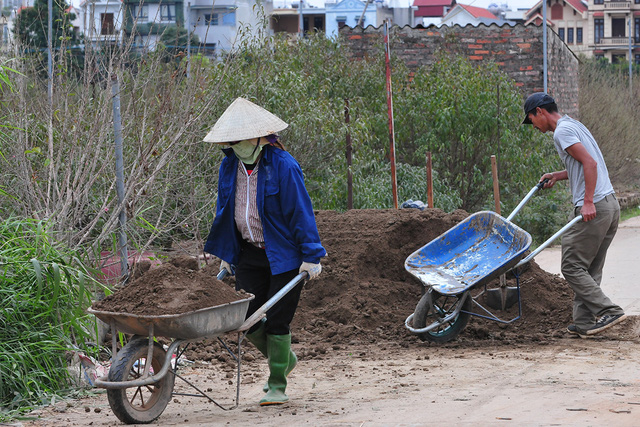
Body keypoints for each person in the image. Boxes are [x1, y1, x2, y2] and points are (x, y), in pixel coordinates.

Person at [203, 97, 326, 405]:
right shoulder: (229, 165)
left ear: (260, 138)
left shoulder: (283, 166)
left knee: (278, 320)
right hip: (248, 252)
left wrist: (311, 255)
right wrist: (227, 252)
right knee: (245, 315)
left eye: (239, 140)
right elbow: (224, 209)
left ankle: (277, 383)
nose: (235, 146)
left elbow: (301, 212)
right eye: (231, 142)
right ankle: (282, 359)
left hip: (284, 255)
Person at [522, 92, 627, 339]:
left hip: (595, 206)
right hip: (610, 205)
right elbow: (582, 164)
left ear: (540, 111)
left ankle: (609, 310)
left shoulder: (562, 132)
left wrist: (588, 201)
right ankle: (584, 321)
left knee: (571, 265)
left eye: (531, 120)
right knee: (590, 267)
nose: (533, 126)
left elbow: (590, 164)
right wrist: (559, 175)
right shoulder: (574, 125)